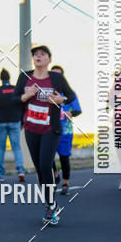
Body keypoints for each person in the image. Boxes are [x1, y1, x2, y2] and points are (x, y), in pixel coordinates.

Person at [13, 46, 76, 225]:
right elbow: (15, 99)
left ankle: (49, 206)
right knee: (40, 169)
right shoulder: (25, 76)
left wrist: (61, 100)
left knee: (45, 164)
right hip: (31, 128)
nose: (38, 57)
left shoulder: (56, 77)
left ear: (49, 59)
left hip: (51, 128)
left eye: (42, 54)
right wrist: (26, 96)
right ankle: (52, 202)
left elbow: (71, 95)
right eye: (35, 54)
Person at [0, 68, 25, 181]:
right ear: (9, 77)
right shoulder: (16, 89)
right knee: (16, 148)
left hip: (1, 122)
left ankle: (0, 175)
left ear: (1, 78)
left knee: (1, 149)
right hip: (15, 122)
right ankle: (21, 171)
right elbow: (22, 105)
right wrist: (22, 121)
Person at [50, 65, 82, 195]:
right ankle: (55, 173)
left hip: (65, 132)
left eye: (58, 75)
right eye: (53, 74)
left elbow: (78, 110)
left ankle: (65, 183)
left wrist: (71, 113)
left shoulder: (69, 93)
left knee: (64, 158)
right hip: (49, 131)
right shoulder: (46, 92)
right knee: (48, 158)